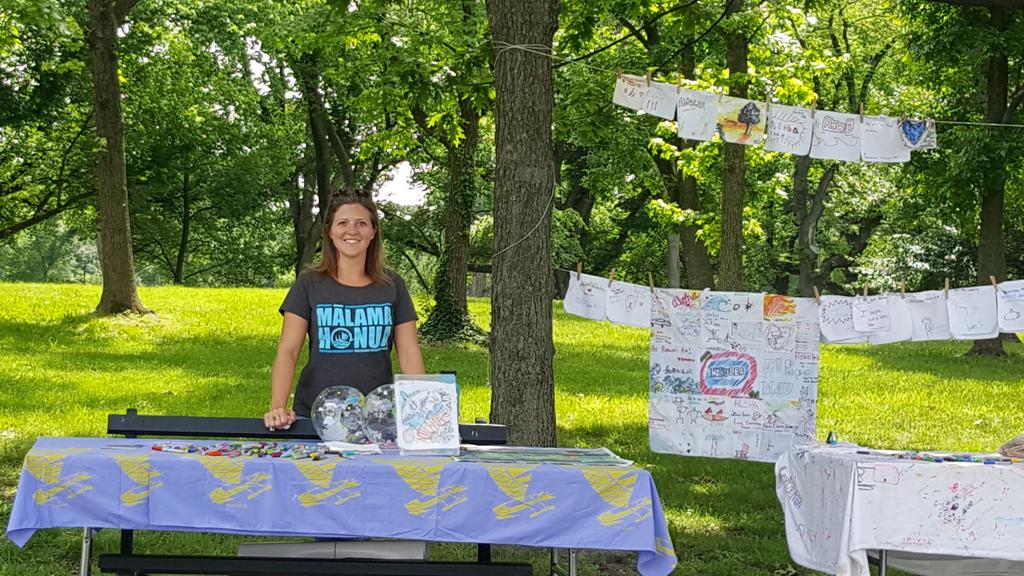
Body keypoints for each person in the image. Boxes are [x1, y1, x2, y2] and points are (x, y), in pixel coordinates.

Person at [265, 194, 425, 430]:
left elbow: (409, 352)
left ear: (373, 232)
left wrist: (421, 409)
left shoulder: (393, 285)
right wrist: (278, 406)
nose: (352, 230)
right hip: (316, 417)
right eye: (343, 223)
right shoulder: (309, 283)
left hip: (377, 419)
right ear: (329, 231)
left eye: (361, 223)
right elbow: (288, 350)